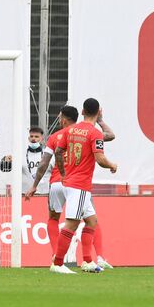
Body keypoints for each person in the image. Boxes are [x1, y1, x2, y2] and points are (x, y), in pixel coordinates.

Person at [25, 105, 115, 269]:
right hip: (77, 183)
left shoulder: (57, 136)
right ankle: (72, 260)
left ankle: (62, 256)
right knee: (79, 221)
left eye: (60, 117)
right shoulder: (89, 132)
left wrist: (34, 185)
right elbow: (110, 136)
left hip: (58, 182)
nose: (59, 120)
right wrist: (100, 120)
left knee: (58, 218)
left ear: (64, 119)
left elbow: (44, 162)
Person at [51, 98, 118, 274]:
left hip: (70, 182)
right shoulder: (94, 133)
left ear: (82, 112)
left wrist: (63, 174)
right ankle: (57, 263)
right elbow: (100, 159)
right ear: (98, 112)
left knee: (91, 221)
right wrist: (112, 165)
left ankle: (87, 261)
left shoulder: (70, 130)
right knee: (71, 224)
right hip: (79, 185)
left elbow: (58, 151)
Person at [0, 126, 49, 195]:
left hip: (44, 193)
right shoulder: (20, 154)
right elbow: (4, 169)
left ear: (41, 139)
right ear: (28, 138)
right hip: (25, 194)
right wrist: (6, 162)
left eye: (36, 136)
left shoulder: (48, 155)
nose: (33, 139)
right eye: (31, 136)